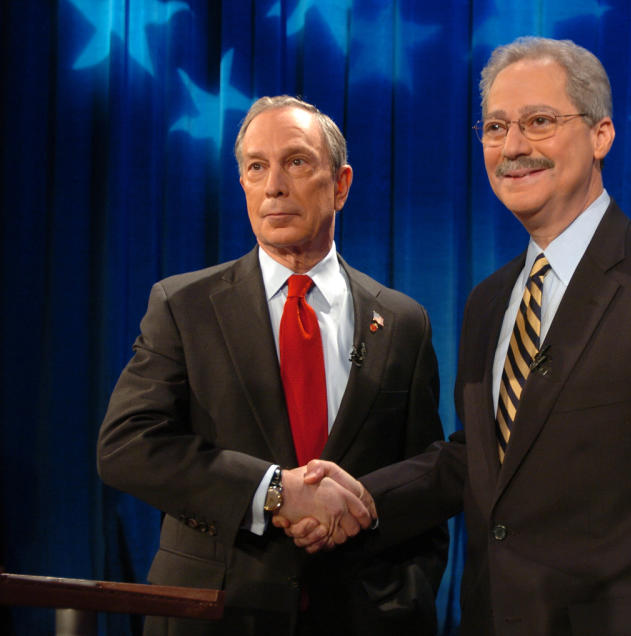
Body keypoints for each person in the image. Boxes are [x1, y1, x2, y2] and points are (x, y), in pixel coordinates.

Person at [284, 37, 631, 636]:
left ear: (601, 134)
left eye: (539, 122)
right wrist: (362, 498)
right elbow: (483, 459)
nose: (514, 146)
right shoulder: (490, 300)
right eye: (495, 127)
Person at [98, 95, 447, 636]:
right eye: (256, 167)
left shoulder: (403, 322)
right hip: (215, 614)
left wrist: (407, 596)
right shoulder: (184, 305)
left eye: (297, 162)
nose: (274, 186)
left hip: (361, 618)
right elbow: (127, 447)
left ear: (341, 184)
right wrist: (273, 489)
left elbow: (425, 478)